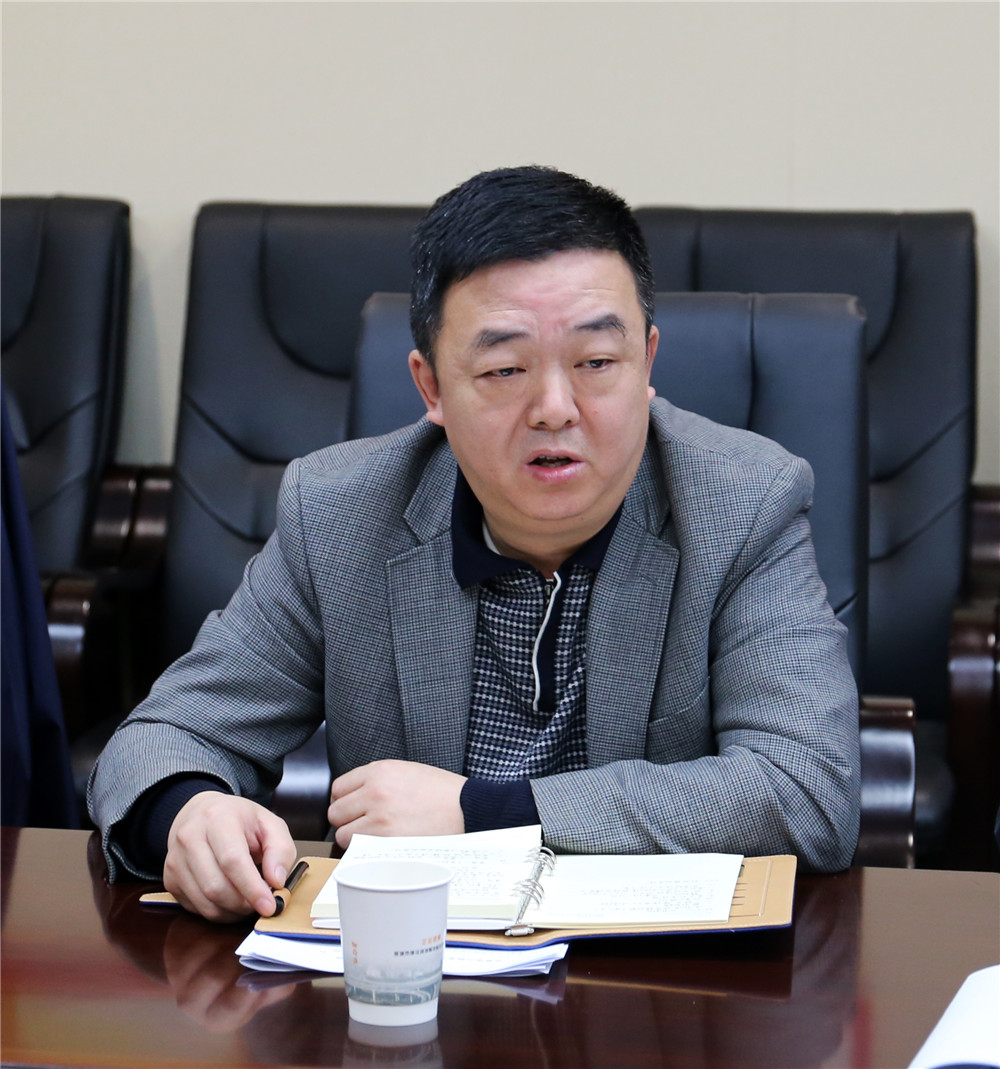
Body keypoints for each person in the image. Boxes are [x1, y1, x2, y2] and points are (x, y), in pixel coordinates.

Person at [89, 166, 860, 922]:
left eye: (596, 363)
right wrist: (189, 813)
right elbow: (164, 737)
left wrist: (485, 813)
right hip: (412, 978)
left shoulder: (741, 503)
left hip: (659, 984)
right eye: (504, 368)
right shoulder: (339, 514)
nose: (555, 408)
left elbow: (806, 788)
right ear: (431, 388)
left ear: (647, 364)